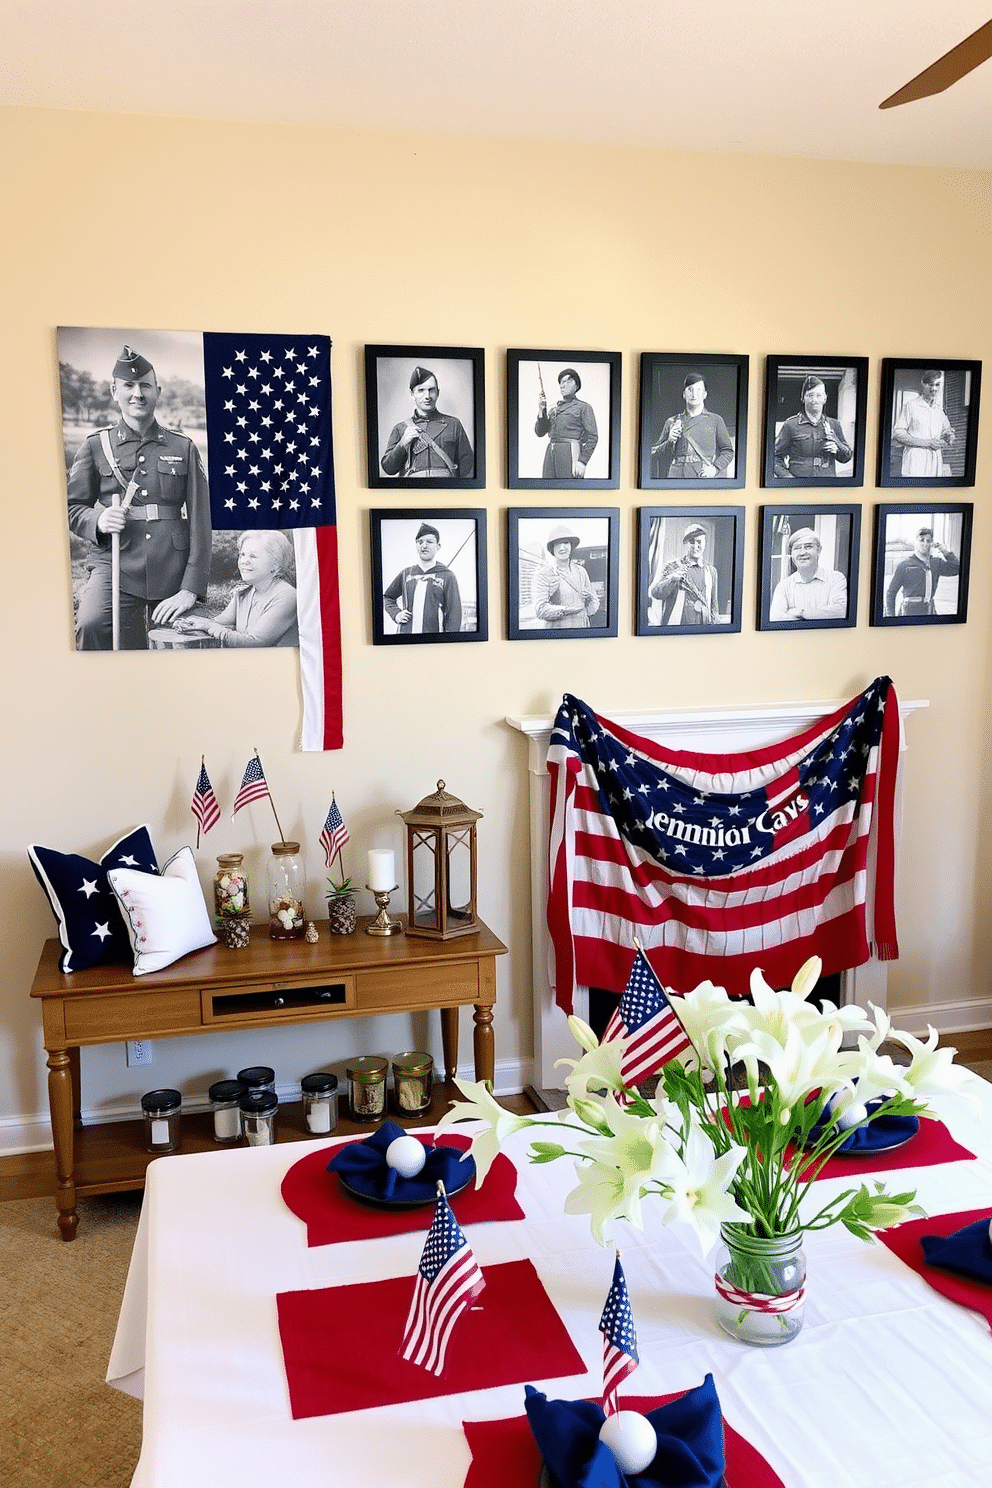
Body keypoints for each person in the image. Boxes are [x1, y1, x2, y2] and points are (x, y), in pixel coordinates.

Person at [68, 345, 211, 649]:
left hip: (171, 567)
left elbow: (201, 519)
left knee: (185, 642)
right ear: (114, 390)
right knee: (91, 626)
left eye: (145, 385)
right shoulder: (96, 446)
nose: (138, 394)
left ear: (157, 391)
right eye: (129, 386)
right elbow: (72, 507)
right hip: (114, 564)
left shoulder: (182, 447)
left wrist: (191, 588)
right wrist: (99, 519)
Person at [174, 530, 298, 647]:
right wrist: (191, 623)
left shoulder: (287, 596)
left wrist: (209, 627)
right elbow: (219, 622)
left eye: (253, 556)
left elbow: (255, 643)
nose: (244, 561)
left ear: (275, 564)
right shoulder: (243, 594)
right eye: (242, 554)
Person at [380, 366, 474, 479]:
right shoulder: (400, 429)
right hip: (412, 492)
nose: (427, 396)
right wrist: (402, 443)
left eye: (431, 390)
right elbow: (388, 469)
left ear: (438, 393)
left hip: (446, 490)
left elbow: (469, 466)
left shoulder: (453, 424)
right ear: (412, 394)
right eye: (421, 390)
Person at [651, 372, 734, 479]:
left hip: (702, 475)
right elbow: (655, 454)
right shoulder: (672, 421)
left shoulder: (715, 420)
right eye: (690, 389)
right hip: (675, 475)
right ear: (684, 395)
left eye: (699, 390)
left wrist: (715, 468)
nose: (694, 394)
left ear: (705, 394)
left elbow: (728, 451)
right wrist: (670, 440)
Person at [383, 522, 462, 633]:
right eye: (420, 542)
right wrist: (396, 614)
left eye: (429, 542)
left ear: (438, 546)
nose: (424, 546)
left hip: (434, 640)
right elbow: (388, 597)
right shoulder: (406, 573)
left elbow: (454, 613)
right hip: (405, 638)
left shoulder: (447, 576)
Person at [774, 375, 853, 479]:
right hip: (798, 487)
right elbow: (774, 457)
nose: (814, 399)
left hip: (828, 487)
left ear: (825, 398)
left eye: (818, 395)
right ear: (803, 398)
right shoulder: (790, 425)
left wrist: (837, 448)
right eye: (810, 395)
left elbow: (846, 457)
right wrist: (788, 478)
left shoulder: (834, 424)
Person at [768, 527, 847, 622]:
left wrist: (802, 613)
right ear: (791, 553)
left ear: (819, 550)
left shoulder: (836, 579)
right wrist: (822, 613)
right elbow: (775, 618)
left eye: (808, 547)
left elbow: (841, 612)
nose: (802, 552)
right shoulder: (783, 586)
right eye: (797, 548)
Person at [531, 523, 600, 628]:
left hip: (581, 632)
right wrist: (567, 610)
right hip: (558, 634)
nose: (562, 547)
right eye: (557, 543)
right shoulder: (543, 574)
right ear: (552, 548)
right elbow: (540, 611)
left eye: (566, 543)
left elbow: (592, 609)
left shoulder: (581, 572)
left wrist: (590, 599)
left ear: (571, 546)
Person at [649, 523, 719, 625]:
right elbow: (655, 593)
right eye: (691, 542)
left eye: (699, 542)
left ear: (705, 543)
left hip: (702, 627)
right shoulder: (672, 567)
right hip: (677, 627)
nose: (695, 546)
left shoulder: (711, 572)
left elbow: (714, 606)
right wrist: (672, 579)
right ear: (686, 544)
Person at [535, 368, 598, 478]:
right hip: (550, 454)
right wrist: (541, 411)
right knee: (547, 490)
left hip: (570, 453)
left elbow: (593, 437)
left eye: (568, 381)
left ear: (576, 386)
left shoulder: (583, 407)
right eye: (561, 382)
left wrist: (582, 461)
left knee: (569, 490)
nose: (563, 385)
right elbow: (540, 433)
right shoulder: (554, 409)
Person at [892, 370, 955, 478]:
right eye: (930, 385)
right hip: (916, 460)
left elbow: (947, 430)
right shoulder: (911, 406)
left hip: (935, 462)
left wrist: (949, 437)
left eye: (937, 385)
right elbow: (897, 433)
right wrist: (927, 443)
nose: (934, 389)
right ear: (923, 385)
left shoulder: (939, 410)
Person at [885, 527, 960, 617]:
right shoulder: (904, 565)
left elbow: (956, 568)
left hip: (929, 612)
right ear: (915, 542)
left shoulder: (936, 563)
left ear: (932, 543)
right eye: (922, 540)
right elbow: (891, 593)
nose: (925, 544)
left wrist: (944, 550)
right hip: (909, 613)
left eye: (928, 541)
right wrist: (891, 618)